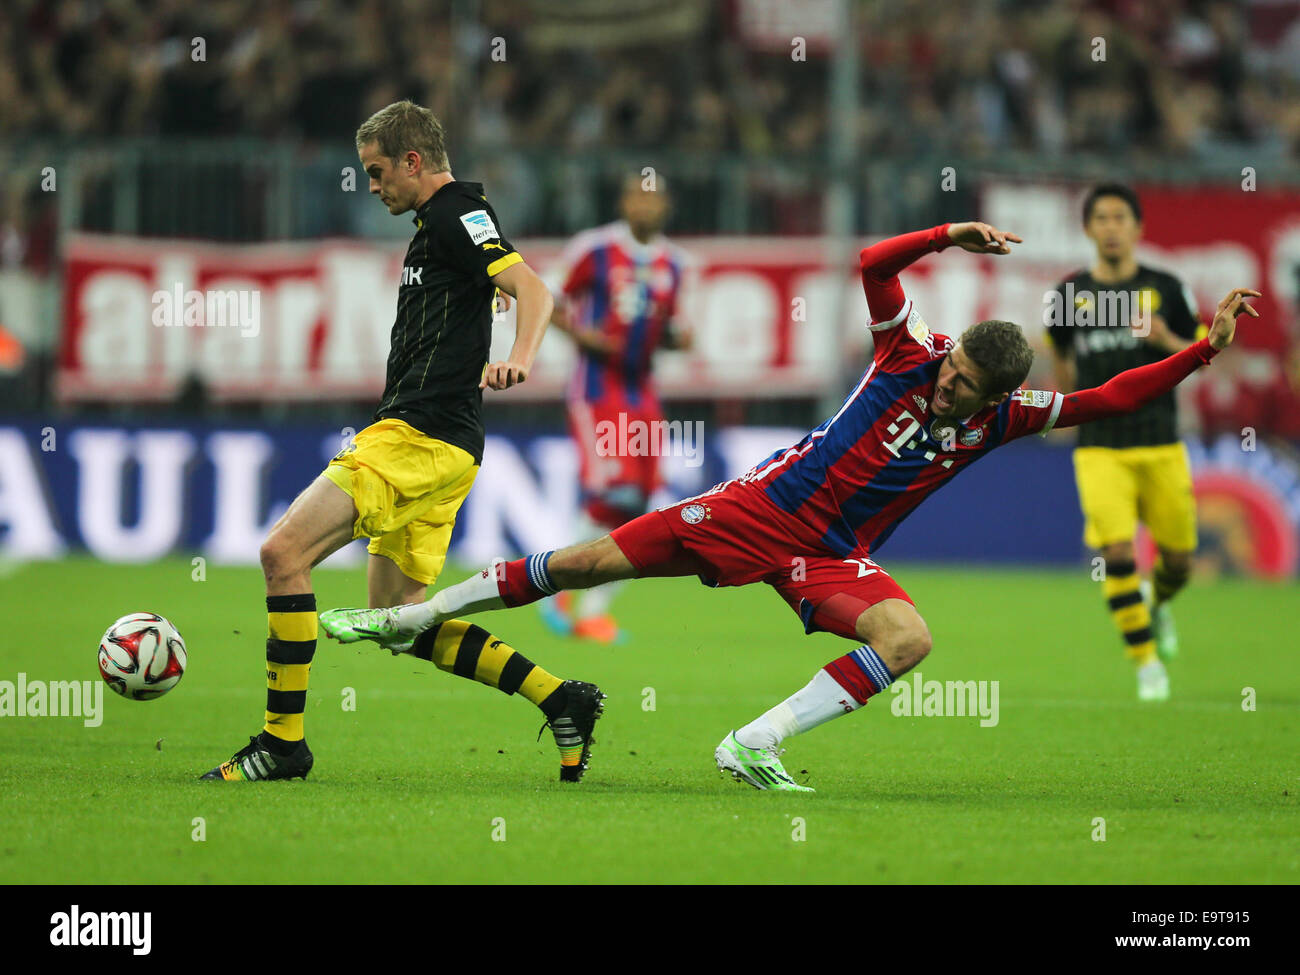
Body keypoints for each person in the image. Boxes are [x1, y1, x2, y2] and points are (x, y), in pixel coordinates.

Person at [321, 220, 1257, 792]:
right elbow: (870, 264)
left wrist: (1202, 350)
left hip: (832, 550)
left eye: (969, 388)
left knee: (909, 639)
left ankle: (751, 743)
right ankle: (411, 613)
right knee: (587, 563)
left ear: (994, 394)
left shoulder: (1009, 416)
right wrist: (944, 236)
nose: (952, 391)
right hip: (760, 508)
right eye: (956, 372)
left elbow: (1115, 397)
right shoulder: (908, 354)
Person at [202, 100, 604, 784]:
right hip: (446, 445)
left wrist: (522, 356)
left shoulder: (453, 213)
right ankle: (559, 697)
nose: (372, 185)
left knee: (283, 553)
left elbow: (532, 290)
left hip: (417, 436)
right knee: (396, 617)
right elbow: (496, 282)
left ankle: (282, 743)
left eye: (378, 170)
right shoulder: (443, 224)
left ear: (413, 161)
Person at [1047, 184, 1205, 701]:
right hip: (1100, 447)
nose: (1111, 227)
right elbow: (1061, 356)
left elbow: (1203, 351)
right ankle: (1146, 664)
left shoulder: (1166, 288)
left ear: (1137, 228)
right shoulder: (1071, 295)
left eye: (1120, 218)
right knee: (1116, 550)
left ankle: (1156, 604)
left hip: (1160, 442)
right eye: (1101, 218)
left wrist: (1164, 341)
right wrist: (1067, 408)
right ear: (1089, 229)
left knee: (1179, 563)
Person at [537, 173, 693, 644]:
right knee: (613, 493)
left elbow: (669, 326)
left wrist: (679, 337)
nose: (645, 206)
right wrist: (583, 337)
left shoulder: (674, 263)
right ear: (624, 202)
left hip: (642, 391)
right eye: (637, 196)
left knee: (643, 506)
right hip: (597, 389)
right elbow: (549, 301)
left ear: (666, 206)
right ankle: (554, 589)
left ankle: (594, 612)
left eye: (654, 198)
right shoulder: (595, 249)